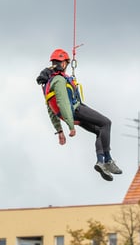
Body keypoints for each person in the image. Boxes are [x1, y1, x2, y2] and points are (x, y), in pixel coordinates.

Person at [36, 48, 122, 181]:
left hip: (72, 114)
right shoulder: (58, 80)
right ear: (64, 64)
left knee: (100, 130)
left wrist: (59, 130)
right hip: (76, 111)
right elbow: (63, 102)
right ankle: (108, 160)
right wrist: (70, 126)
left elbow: (51, 109)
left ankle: (101, 162)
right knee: (106, 123)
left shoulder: (48, 83)